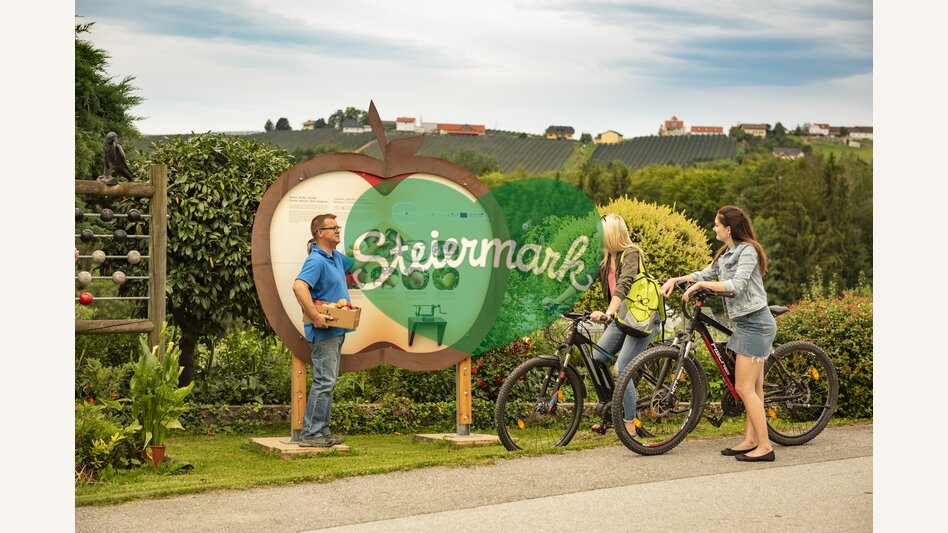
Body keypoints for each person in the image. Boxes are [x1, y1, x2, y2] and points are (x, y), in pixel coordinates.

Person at [661, 205, 777, 462]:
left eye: (717, 224)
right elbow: (704, 273)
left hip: (756, 324)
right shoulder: (725, 254)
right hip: (746, 324)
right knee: (754, 388)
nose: (714, 228)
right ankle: (751, 440)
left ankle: (765, 447)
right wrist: (676, 280)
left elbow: (737, 285)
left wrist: (702, 285)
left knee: (743, 387)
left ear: (728, 229)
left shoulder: (748, 251)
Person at [544, 213, 660, 435]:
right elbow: (581, 282)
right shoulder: (605, 259)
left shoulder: (631, 253)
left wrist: (608, 313)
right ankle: (614, 406)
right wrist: (558, 301)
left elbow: (624, 284)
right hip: (621, 320)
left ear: (612, 233)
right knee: (598, 357)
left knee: (623, 367)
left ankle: (629, 421)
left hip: (641, 321)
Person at [292, 213, 354, 448]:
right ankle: (310, 434)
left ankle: (322, 432)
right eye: (333, 228)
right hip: (324, 332)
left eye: (338, 227)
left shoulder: (335, 257)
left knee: (328, 382)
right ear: (320, 233)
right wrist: (316, 316)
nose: (338, 230)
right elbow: (299, 287)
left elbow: (355, 264)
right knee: (324, 381)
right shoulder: (316, 260)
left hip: (336, 330)